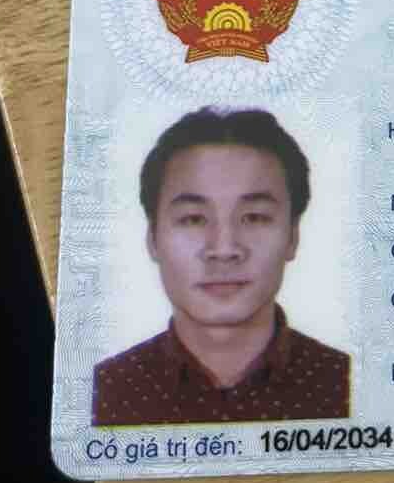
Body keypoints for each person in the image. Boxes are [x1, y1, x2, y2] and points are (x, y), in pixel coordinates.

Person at [92, 107, 350, 425]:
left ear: (293, 237)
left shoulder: (348, 387)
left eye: (254, 217)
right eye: (193, 219)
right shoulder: (103, 395)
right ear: (153, 239)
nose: (224, 249)